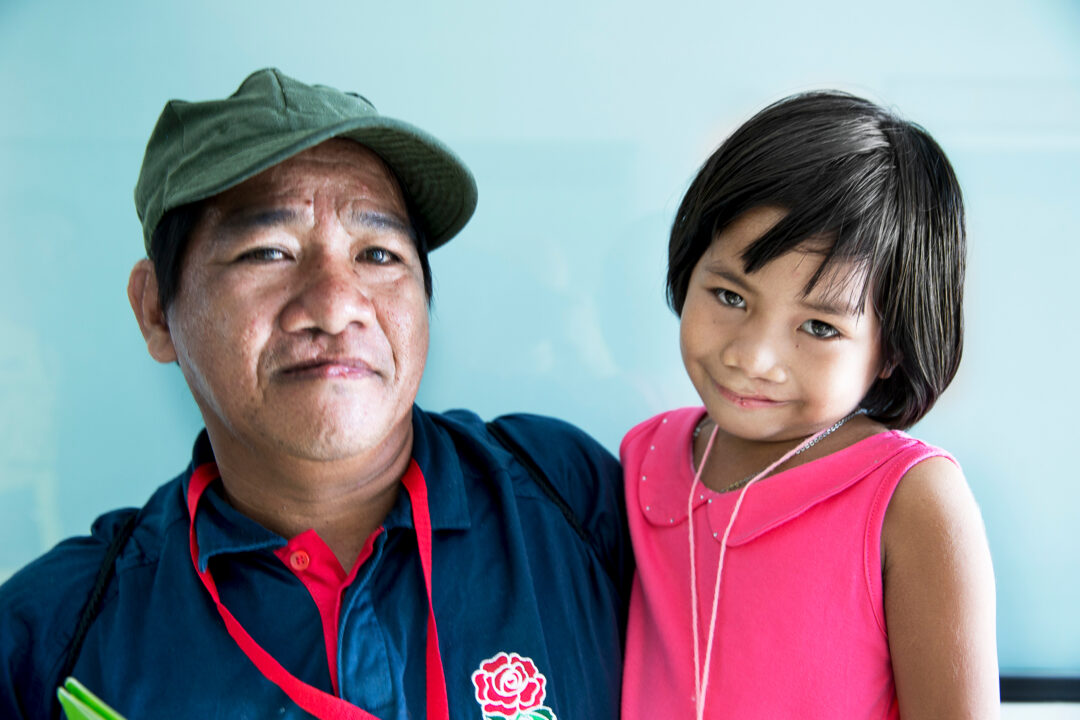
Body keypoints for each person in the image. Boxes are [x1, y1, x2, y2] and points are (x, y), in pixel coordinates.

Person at [0, 68, 631, 720]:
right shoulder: (52, 643)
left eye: (379, 255)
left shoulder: (572, 504)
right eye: (269, 252)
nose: (336, 308)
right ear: (158, 310)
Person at [620, 91, 998, 719]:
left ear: (891, 350)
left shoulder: (911, 499)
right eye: (730, 296)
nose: (754, 357)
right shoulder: (645, 457)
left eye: (820, 328)